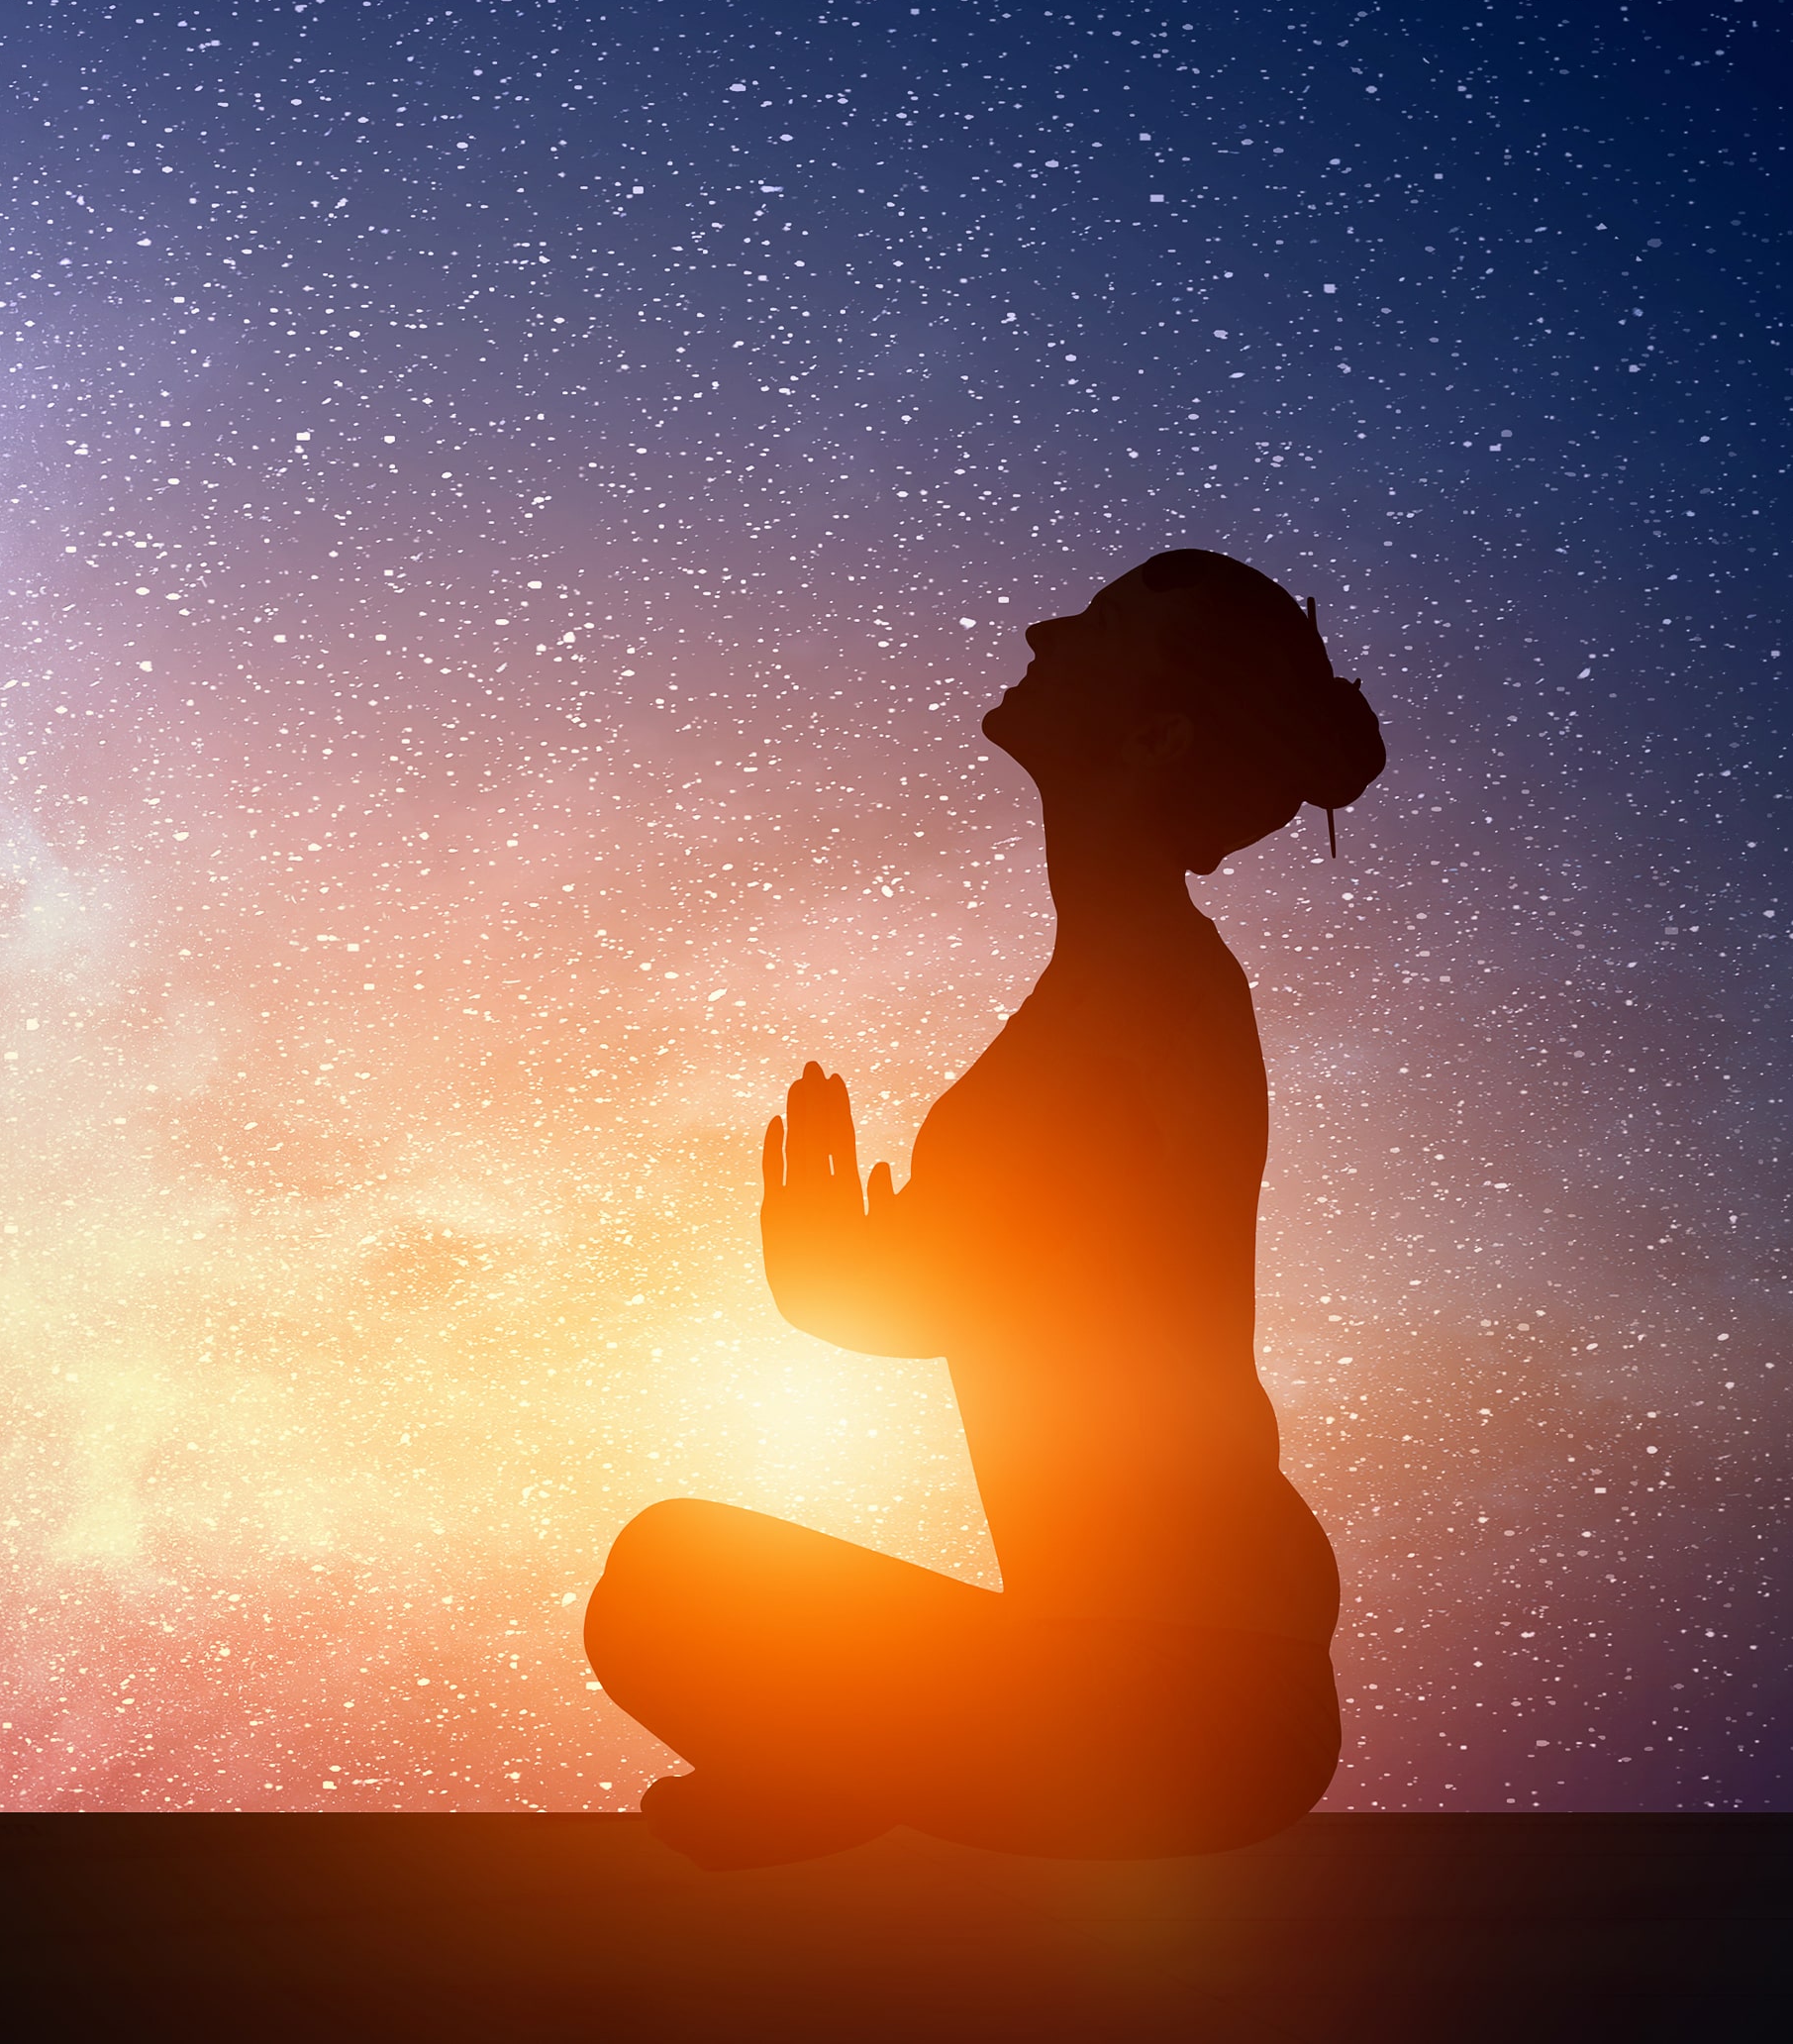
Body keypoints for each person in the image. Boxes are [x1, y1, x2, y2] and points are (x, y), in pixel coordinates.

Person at [583, 549, 1387, 1864]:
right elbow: (1045, 1290)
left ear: (1154, 732)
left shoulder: (1144, 994)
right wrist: (874, 1278)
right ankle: (862, 1768)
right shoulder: (1123, 978)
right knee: (666, 1578)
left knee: (666, 1589)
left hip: (1184, 1700)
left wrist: (845, 1283)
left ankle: (854, 1772)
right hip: (1165, 1677)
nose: (1042, 625)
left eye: (1103, 626)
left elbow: (1008, 1290)